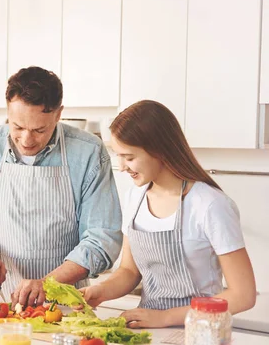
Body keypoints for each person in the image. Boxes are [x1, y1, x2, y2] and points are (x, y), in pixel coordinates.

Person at [0, 66, 122, 308]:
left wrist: (47, 283)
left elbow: (102, 239)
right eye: (17, 127)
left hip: (63, 305)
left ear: (59, 114)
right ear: (7, 110)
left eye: (40, 130)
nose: (27, 140)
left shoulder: (88, 152)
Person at [80, 100, 257, 328]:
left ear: (159, 151)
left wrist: (166, 317)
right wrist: (101, 291)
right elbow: (129, 271)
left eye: (130, 157)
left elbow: (243, 295)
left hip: (202, 334)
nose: (122, 166)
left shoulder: (210, 205)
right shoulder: (135, 197)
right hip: (149, 331)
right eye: (118, 155)